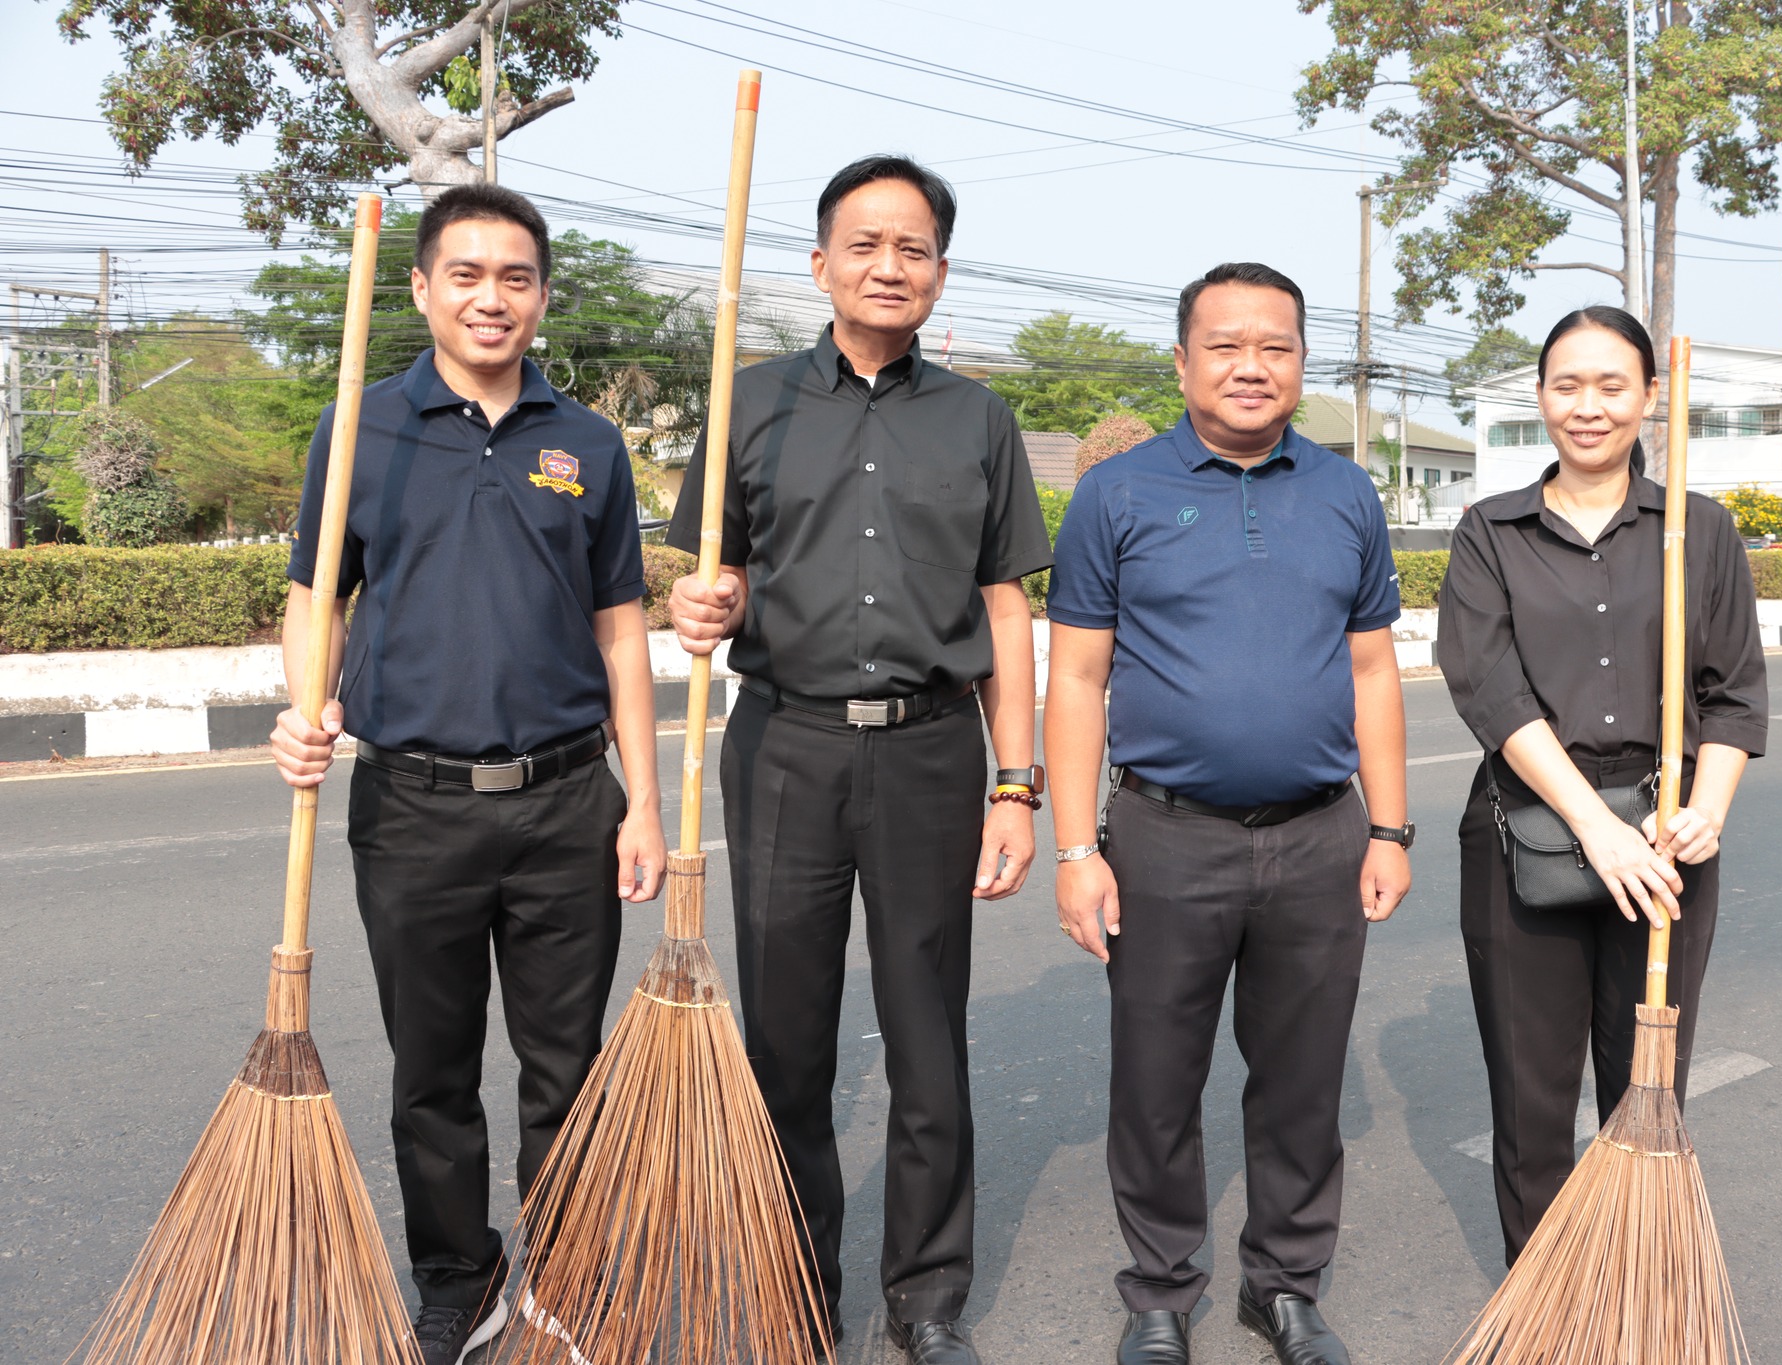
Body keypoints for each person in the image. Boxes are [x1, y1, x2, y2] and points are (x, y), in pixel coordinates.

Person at [267, 186, 665, 1364]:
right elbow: (315, 599)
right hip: (412, 804)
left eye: (515, 278)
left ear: (541, 295)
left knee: (566, 1067)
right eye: (467, 274)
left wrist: (644, 802)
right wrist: (305, 708)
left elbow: (620, 629)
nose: (492, 298)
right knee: (431, 1070)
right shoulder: (360, 428)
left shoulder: (587, 442)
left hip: (567, 801)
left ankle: (567, 1272)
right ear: (422, 288)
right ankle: (458, 1275)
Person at [665, 154, 1051, 1365]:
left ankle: (926, 1300)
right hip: (783, 745)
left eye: (913, 247)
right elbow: (711, 577)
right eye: (866, 244)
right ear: (821, 262)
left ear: (939, 270)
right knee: (785, 1039)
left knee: (928, 1038)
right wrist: (700, 606)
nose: (890, 266)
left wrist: (1015, 782)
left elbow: (1004, 611)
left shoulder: (978, 420)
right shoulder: (750, 401)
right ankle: (796, 1286)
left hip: (933, 752)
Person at [1043, 263, 1412, 1365]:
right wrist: (1076, 848)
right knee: (1156, 1078)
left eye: (1275, 346)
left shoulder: (1346, 493)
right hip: (1164, 836)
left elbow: (1373, 670)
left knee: (1302, 1078)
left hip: (1319, 832)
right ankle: (1159, 1292)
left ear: (1300, 362)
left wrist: (1387, 829)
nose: (1251, 366)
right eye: (1225, 346)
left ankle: (1284, 1285)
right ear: (1182, 362)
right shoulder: (1117, 494)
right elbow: (1076, 679)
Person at [1436, 306, 1768, 1267]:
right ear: (1541, 397)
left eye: (1612, 385)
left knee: (1645, 1085)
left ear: (1650, 397)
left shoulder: (1698, 530)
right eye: (1567, 385)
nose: (1589, 406)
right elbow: (1489, 690)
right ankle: (1545, 1296)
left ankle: (1632, 1284)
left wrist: (1705, 812)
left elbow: (1734, 693)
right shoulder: (1490, 531)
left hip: (1662, 834)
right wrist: (1593, 826)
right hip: (1529, 825)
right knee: (1531, 1094)